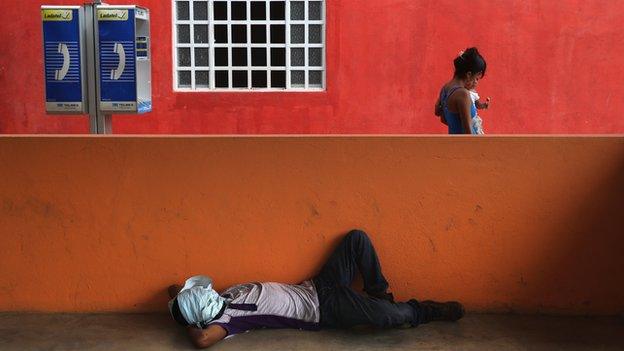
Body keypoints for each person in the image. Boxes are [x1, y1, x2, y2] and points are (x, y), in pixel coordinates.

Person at [167, 230, 465, 349]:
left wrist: (178, 298)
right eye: (199, 296)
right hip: (323, 310)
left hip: (319, 285)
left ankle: (378, 296)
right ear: (201, 313)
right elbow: (203, 340)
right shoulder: (228, 319)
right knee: (391, 317)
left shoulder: (225, 295)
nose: (205, 291)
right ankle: (424, 311)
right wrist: (190, 321)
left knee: (356, 239)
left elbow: (173, 289)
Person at [435, 47, 490, 134]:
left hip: (454, 143)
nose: (476, 83)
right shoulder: (463, 94)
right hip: (468, 146)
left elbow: (443, 118)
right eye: (476, 78)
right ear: (469, 74)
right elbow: (468, 132)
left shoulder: (445, 88)